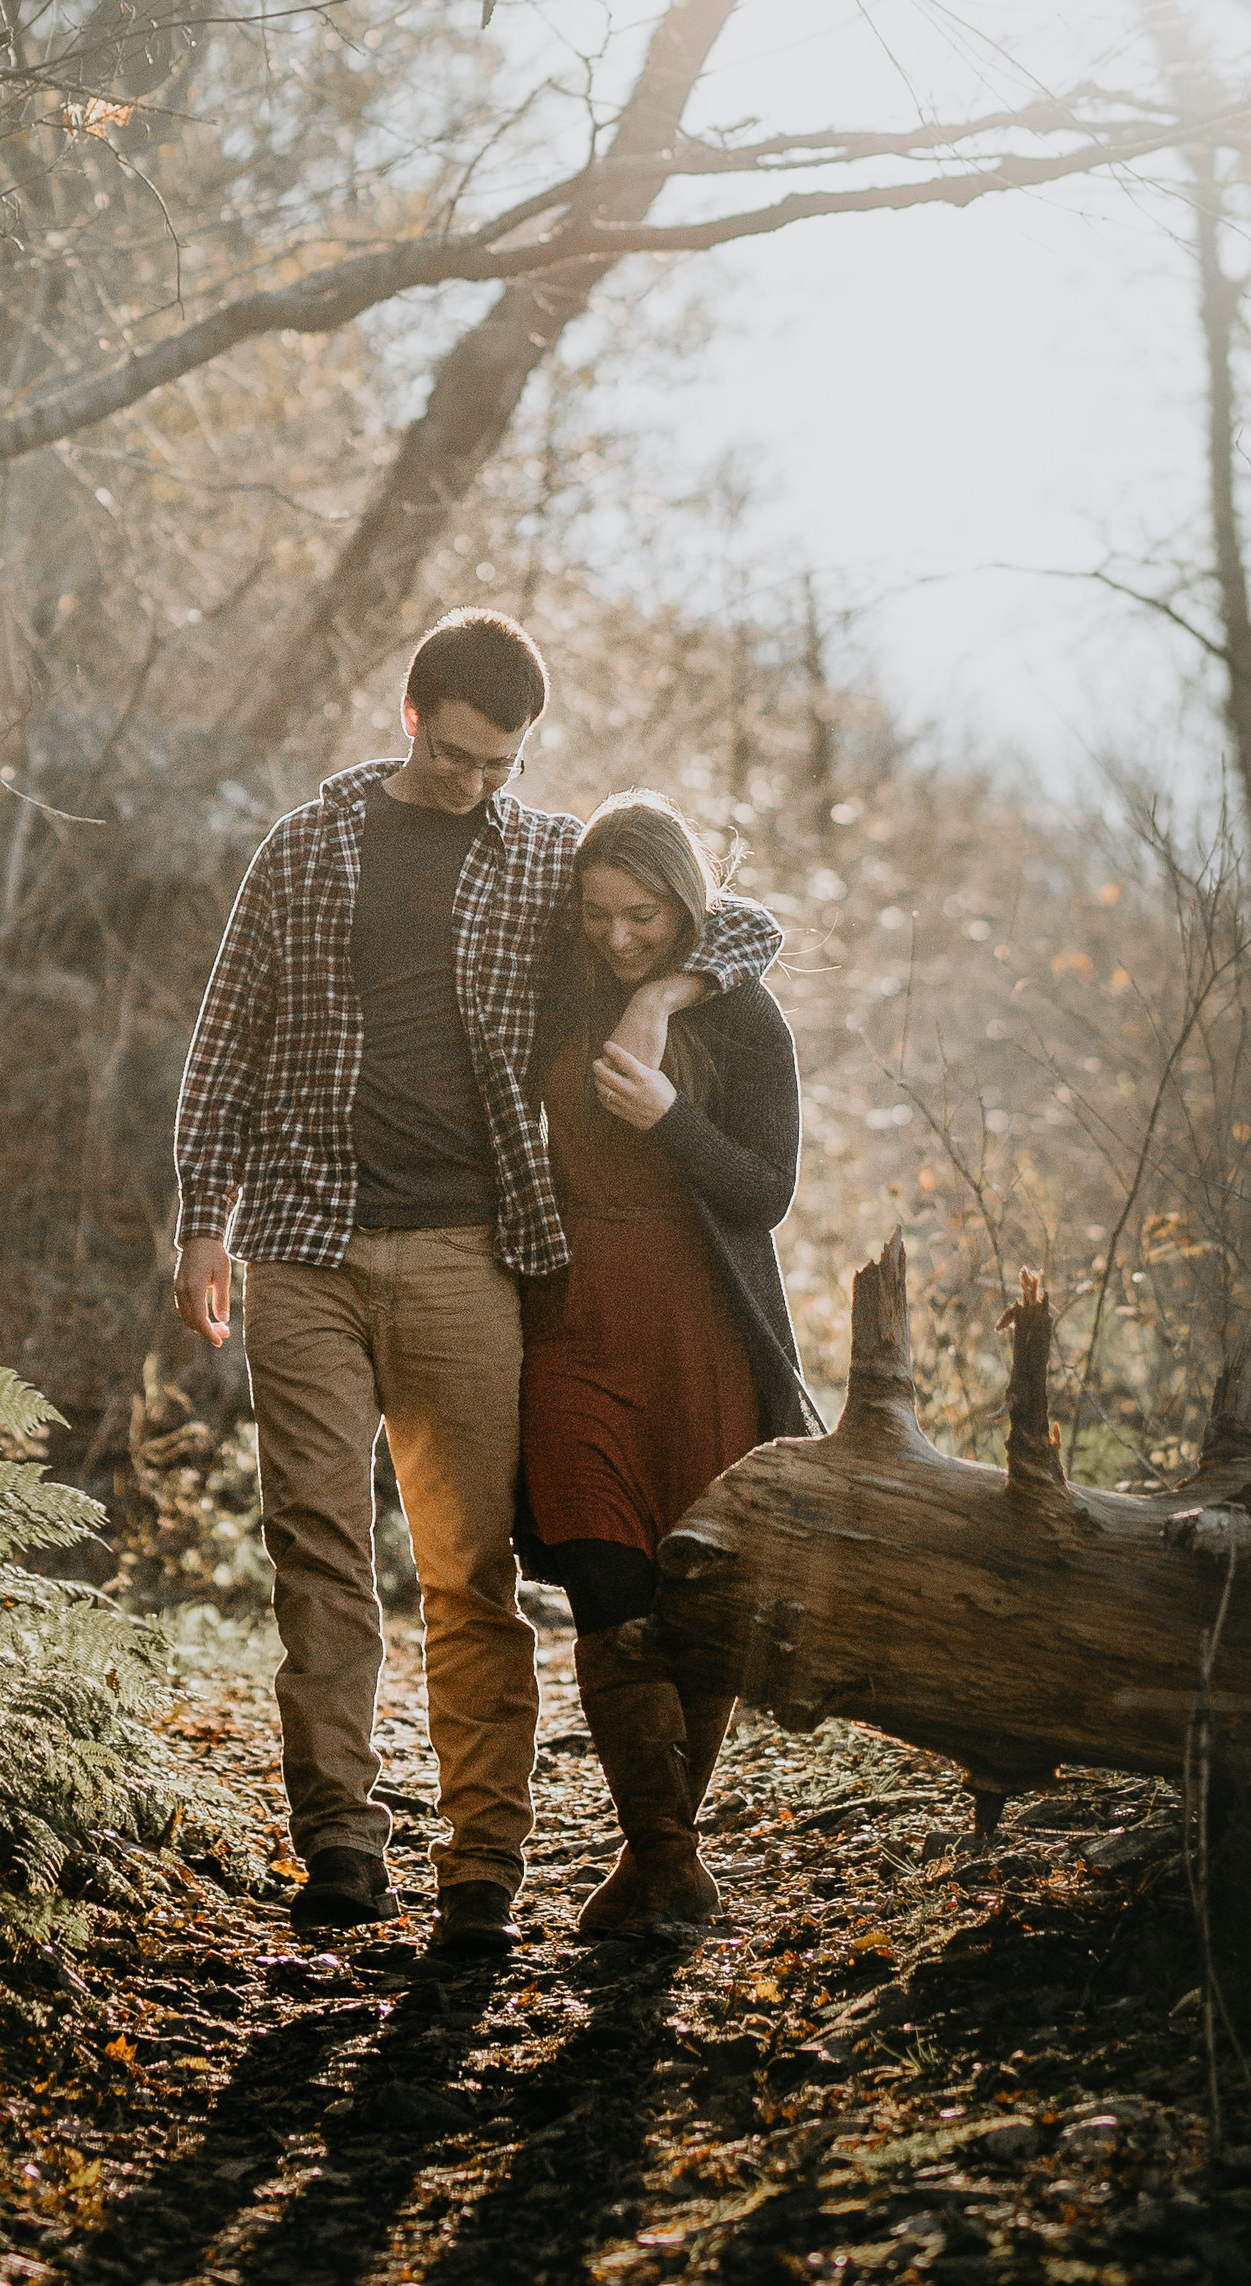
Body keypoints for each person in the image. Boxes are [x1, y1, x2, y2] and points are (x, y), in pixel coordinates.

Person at [170, 610, 782, 1962]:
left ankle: (483, 1863)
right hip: (301, 1245)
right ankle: (340, 1836)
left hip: (468, 1253)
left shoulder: (544, 857)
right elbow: (225, 1042)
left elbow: (736, 917)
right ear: (411, 718)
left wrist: (660, 995)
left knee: (470, 1569)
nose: (477, 783)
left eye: (503, 762)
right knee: (319, 1547)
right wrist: (199, 1222)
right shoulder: (304, 847)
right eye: (457, 755)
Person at [520, 790, 815, 1938]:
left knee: (698, 1601)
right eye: (598, 915)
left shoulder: (745, 1022)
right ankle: (664, 1851)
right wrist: (636, 986)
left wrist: (667, 1117)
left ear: (682, 906)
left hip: (701, 1335)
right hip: (569, 1330)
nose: (619, 935)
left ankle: (660, 1864)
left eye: (643, 916)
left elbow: (766, 1192)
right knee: (604, 1584)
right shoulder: (557, 979)